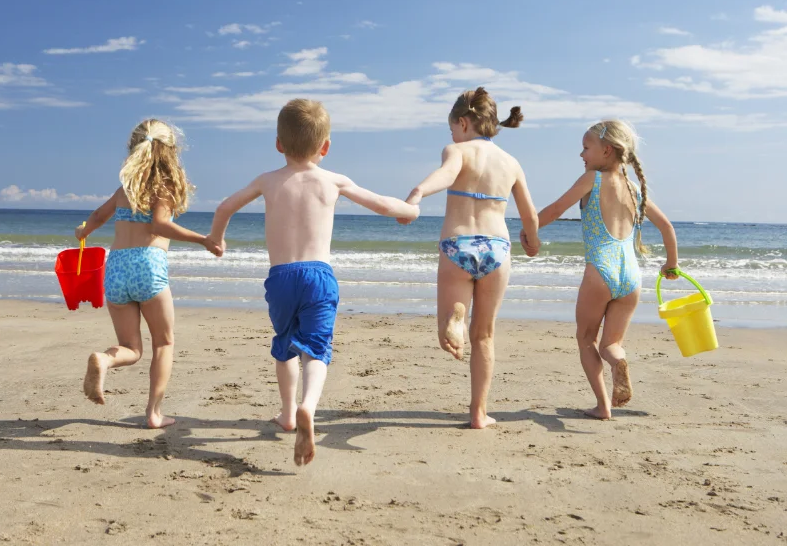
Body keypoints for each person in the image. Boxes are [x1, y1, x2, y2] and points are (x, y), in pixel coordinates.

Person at [209, 98, 419, 465]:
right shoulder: (333, 180)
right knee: (317, 348)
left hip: (280, 279)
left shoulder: (267, 181)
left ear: (278, 144)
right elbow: (384, 205)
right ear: (325, 147)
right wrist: (411, 211)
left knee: (285, 343)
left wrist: (217, 238)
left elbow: (225, 206)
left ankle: (288, 414)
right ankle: (309, 406)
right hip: (318, 276)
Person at [403, 87, 540, 429]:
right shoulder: (511, 162)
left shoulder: (457, 150)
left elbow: (446, 175)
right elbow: (530, 214)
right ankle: (479, 413)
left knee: (447, 329)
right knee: (485, 336)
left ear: (463, 123)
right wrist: (533, 241)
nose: (451, 136)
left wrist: (418, 191)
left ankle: (454, 318)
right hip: (498, 249)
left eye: (452, 129)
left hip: (457, 245)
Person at [75, 119, 221, 428]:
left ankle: (106, 359)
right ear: (170, 152)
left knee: (131, 348)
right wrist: (203, 239)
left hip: (115, 268)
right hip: (148, 266)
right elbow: (159, 226)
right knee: (163, 343)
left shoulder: (124, 188)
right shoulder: (164, 187)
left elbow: (99, 215)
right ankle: (154, 413)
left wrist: (84, 230)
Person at [531, 120, 678, 419]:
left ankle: (603, 406)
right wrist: (671, 264)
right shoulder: (634, 189)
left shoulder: (591, 180)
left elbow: (556, 209)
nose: (581, 155)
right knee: (612, 344)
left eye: (586, 148)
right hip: (631, 278)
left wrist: (527, 229)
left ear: (606, 150)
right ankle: (618, 362)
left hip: (600, 271)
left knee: (586, 339)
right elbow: (667, 227)